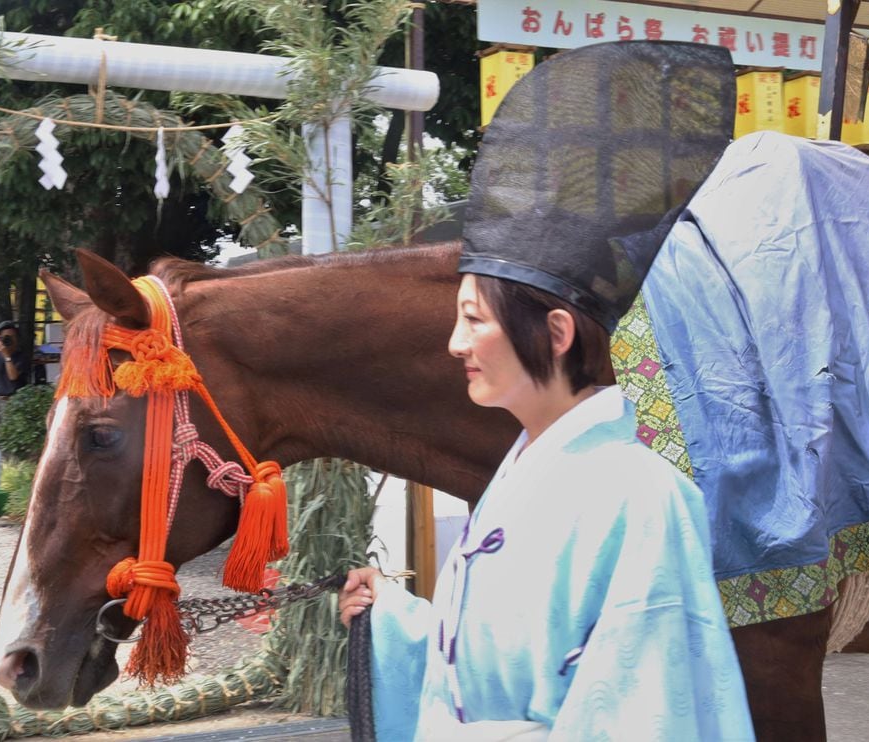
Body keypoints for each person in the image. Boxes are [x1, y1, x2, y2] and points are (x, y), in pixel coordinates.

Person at [337, 42, 756, 740]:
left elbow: (648, 712)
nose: (455, 344)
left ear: (556, 332)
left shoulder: (641, 498)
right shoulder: (523, 472)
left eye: (474, 320)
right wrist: (399, 620)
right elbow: (495, 671)